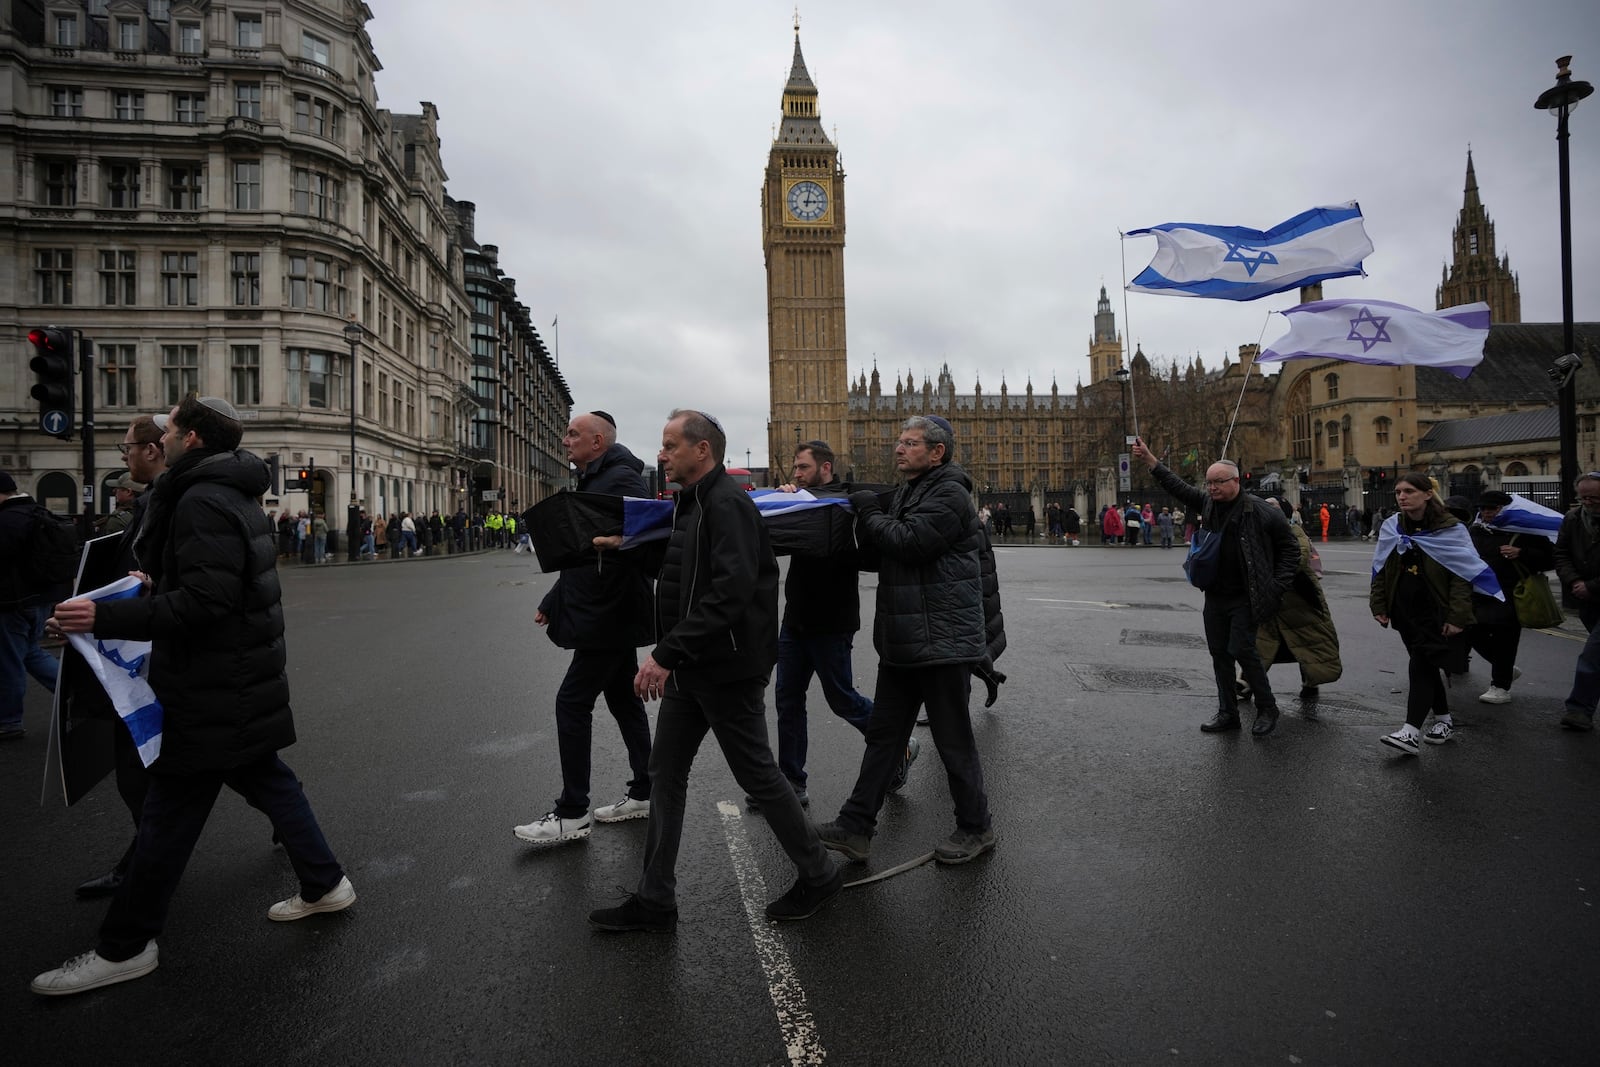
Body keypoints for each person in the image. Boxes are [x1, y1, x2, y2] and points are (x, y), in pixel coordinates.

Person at [34, 396, 353, 996]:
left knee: (168, 816)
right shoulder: (221, 492)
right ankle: (325, 883)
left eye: (173, 430)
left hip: (211, 682)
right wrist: (137, 590)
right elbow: (208, 583)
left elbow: (207, 602)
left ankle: (124, 947)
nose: (164, 437)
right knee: (267, 781)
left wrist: (101, 620)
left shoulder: (201, 499)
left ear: (193, 440)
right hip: (233, 679)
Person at [587, 410, 841, 932]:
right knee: (664, 773)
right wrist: (628, 549)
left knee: (759, 776)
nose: (662, 454)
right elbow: (681, 575)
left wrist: (665, 654)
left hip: (725, 666)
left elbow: (730, 592)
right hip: (693, 664)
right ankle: (656, 899)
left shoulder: (728, 505)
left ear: (701, 450)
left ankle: (819, 872)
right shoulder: (691, 504)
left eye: (670, 445)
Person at [816, 415, 996, 866]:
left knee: (953, 742)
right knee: (884, 738)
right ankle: (856, 827)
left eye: (910, 443)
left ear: (937, 452)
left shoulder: (950, 493)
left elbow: (912, 543)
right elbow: (886, 555)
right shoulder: (912, 491)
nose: (899, 449)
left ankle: (977, 828)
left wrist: (869, 511)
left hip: (942, 642)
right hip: (903, 640)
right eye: (899, 441)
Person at [515, 412, 656, 847]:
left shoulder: (622, 482)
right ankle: (646, 792)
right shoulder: (596, 479)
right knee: (623, 701)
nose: (566, 439)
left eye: (573, 433)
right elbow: (586, 553)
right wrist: (552, 600)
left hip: (608, 614)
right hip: (605, 610)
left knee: (571, 703)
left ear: (598, 442)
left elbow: (642, 540)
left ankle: (572, 811)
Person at [747, 440, 899, 815]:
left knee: (842, 698)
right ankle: (792, 781)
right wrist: (785, 502)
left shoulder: (847, 505)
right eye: (795, 468)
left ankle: (898, 743)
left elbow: (870, 556)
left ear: (826, 468)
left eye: (802, 467)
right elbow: (771, 542)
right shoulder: (799, 501)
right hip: (796, 619)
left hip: (833, 620)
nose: (795, 474)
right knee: (787, 700)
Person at [1133, 437, 1298, 737]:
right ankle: (1228, 712)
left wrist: (1276, 586)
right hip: (1216, 594)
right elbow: (1177, 486)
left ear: (1236, 481)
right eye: (1209, 483)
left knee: (1243, 650)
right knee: (1219, 653)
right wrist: (1150, 460)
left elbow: (1290, 549)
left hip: (1247, 595)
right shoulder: (1208, 503)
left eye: (1218, 483)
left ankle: (1267, 706)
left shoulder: (1261, 511)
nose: (1211, 488)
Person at [74, 414, 168, 899]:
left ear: (154, 449)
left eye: (127, 446)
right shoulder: (157, 502)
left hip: (158, 658)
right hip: (159, 656)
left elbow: (173, 587)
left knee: (141, 773)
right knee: (242, 765)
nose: (125, 455)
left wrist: (99, 617)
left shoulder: (171, 504)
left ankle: (140, 891)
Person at [1369, 474, 1480, 754]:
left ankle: (1410, 732)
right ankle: (1443, 720)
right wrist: (1379, 605)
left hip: (1436, 609)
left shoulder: (1450, 528)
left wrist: (1457, 616)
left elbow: (1462, 576)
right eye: (1398, 492)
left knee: (1421, 663)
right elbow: (1381, 567)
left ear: (1428, 494)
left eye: (1409, 491)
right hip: (1405, 609)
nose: (1402, 496)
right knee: (1426, 664)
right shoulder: (1393, 526)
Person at [1462, 491, 1551, 705]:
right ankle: (1504, 668)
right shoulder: (1475, 530)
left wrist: (1521, 552)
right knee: (1471, 631)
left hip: (1510, 593)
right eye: (1483, 509)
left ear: (1505, 508)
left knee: (1505, 639)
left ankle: (1500, 686)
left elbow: (1551, 558)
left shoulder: (1526, 531)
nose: (1486, 513)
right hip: (1479, 593)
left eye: (1492, 509)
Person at [1251, 497, 1342, 700]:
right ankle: (1247, 683)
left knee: (1306, 641)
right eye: (1265, 506)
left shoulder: (1294, 531)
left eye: (1273, 506)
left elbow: (1297, 559)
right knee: (1261, 643)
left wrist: (1268, 575)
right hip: (1270, 601)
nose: (1267, 510)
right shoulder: (1254, 535)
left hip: (1299, 600)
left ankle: (1311, 681)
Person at [0, 471, 67, 742]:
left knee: (8, 662)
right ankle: (72, 695)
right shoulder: (38, 513)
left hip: (12, 603)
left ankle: (8, 721)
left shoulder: (5, 521)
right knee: (30, 653)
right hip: (41, 599)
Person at [1556, 473, 1600, 731]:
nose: (1587, 502)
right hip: (1587, 599)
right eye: (1583, 497)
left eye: (1593, 497)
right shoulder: (1573, 519)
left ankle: (1579, 710)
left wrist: (1590, 585)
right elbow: (1561, 553)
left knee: (1592, 654)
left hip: (1592, 590)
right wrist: (1573, 582)